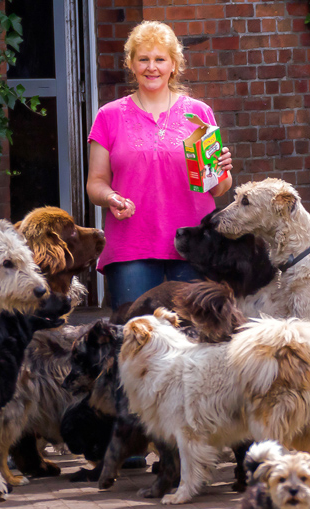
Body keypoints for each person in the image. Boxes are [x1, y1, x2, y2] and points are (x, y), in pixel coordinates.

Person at [86, 20, 234, 308]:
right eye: (143, 59)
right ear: (131, 64)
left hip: (194, 246)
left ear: (173, 65)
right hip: (132, 246)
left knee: (195, 339)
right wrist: (111, 196)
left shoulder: (198, 114)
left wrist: (222, 171)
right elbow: (95, 183)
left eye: (159, 59)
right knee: (134, 337)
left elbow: (217, 189)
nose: (151, 67)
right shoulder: (109, 116)